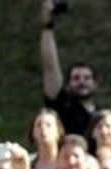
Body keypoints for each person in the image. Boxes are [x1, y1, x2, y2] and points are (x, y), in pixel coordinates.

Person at [38, 0, 100, 139]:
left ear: (95, 84)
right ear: (68, 84)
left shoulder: (101, 117)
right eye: (76, 78)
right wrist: (47, 27)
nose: (81, 82)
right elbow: (50, 66)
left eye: (87, 78)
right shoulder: (62, 105)